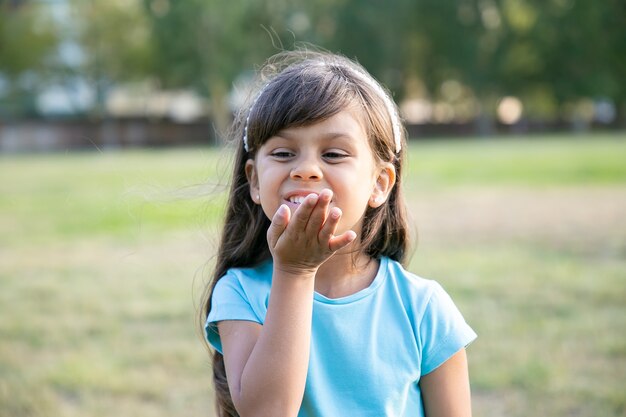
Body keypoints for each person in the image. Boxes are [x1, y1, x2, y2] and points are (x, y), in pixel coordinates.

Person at [201, 49, 477, 417]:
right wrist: (295, 272)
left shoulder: (423, 308)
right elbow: (266, 411)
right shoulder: (240, 293)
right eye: (283, 153)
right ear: (253, 180)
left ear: (379, 184)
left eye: (333, 154)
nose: (306, 170)